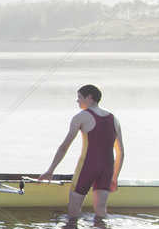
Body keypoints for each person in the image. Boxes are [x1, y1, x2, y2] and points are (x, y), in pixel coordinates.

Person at [36, 84, 124, 221]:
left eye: (79, 97)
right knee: (101, 211)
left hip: (87, 167)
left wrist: (50, 170)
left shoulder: (81, 117)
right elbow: (120, 152)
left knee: (73, 211)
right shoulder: (114, 119)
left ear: (89, 98)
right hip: (107, 168)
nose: (77, 101)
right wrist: (114, 177)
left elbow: (64, 146)